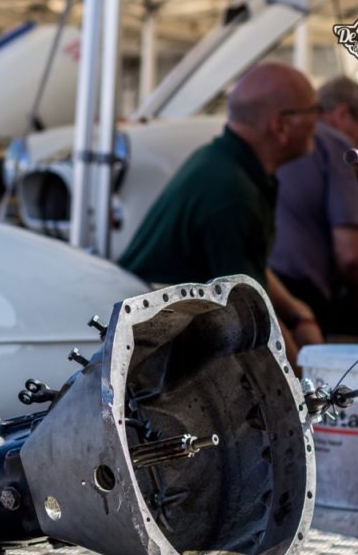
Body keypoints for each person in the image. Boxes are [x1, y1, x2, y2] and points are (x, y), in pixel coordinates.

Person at [118, 62, 324, 363]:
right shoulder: (232, 194)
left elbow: (247, 262)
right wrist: (309, 379)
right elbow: (255, 315)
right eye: (314, 111)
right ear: (281, 126)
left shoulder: (224, 164)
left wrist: (297, 311)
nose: (319, 122)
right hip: (153, 350)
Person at [270, 76, 358, 335]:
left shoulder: (272, 139)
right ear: (342, 113)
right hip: (301, 300)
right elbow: (352, 257)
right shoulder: (338, 147)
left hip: (257, 284)